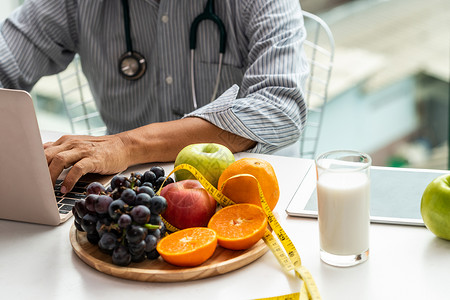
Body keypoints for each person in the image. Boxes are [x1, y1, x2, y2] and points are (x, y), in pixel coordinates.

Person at [0, 0, 309, 193]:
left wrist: (126, 145)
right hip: (133, 198)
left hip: (247, 193)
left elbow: (280, 107)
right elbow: (7, 55)